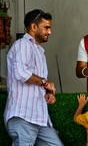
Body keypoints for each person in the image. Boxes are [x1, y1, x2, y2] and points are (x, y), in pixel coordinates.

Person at [4, 9, 64, 146]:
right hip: (24, 116)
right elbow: (21, 73)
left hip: (40, 118)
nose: (49, 32)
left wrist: (47, 92)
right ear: (34, 27)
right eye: (46, 28)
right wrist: (45, 82)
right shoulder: (23, 45)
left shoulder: (39, 51)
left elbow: (37, 81)